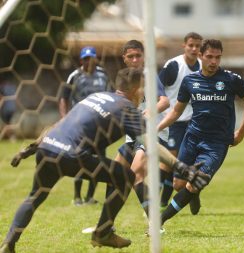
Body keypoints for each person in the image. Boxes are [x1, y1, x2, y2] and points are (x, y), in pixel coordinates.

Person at [0, 68, 210, 253]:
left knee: (34, 197)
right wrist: (183, 168)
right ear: (137, 89)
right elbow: (152, 146)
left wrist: (31, 148)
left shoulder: (96, 96)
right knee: (125, 175)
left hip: (48, 149)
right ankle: (102, 232)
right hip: (73, 155)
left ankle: (9, 242)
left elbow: (62, 123)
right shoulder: (127, 108)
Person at [157, 39, 244, 227]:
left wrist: (241, 132)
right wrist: (157, 127)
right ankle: (194, 193)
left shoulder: (231, 79)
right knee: (179, 185)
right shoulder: (190, 81)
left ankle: (159, 222)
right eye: (209, 57)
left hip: (217, 143)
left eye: (217, 57)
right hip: (192, 137)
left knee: (193, 184)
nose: (213, 62)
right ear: (200, 56)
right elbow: (177, 111)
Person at [113, 40, 170, 219]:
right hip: (133, 134)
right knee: (115, 174)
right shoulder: (124, 78)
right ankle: (106, 224)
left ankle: (155, 223)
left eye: (138, 56)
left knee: (135, 171)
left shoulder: (149, 76)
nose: (135, 59)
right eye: (131, 56)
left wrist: (150, 111)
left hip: (153, 132)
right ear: (124, 59)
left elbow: (165, 101)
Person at [60, 46, 112, 206]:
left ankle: (90, 197)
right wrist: (64, 119)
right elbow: (64, 98)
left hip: (99, 125)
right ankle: (77, 197)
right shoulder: (74, 76)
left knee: (99, 160)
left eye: (92, 58)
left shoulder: (103, 76)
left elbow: (111, 95)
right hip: (80, 124)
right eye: (86, 58)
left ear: (96, 58)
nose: (89, 61)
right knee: (80, 160)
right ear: (81, 60)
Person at [158, 32, 203, 213]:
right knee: (170, 161)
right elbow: (158, 86)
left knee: (184, 165)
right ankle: (161, 200)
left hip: (194, 123)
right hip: (174, 121)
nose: (194, 49)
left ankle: (191, 191)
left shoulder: (203, 66)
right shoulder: (174, 65)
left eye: (197, 46)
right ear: (184, 46)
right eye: (191, 45)